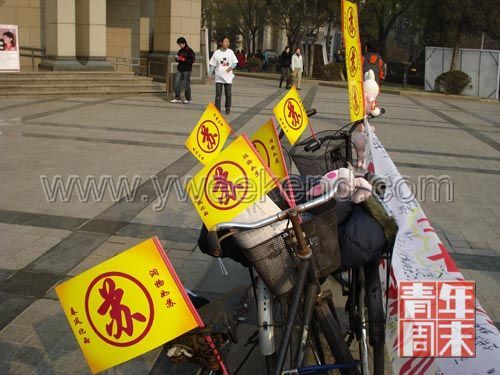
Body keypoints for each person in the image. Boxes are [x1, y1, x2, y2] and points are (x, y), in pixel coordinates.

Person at [208, 37, 238, 115]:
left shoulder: (230, 52)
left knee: (228, 94)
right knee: (218, 94)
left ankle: (227, 108)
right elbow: (213, 65)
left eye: (228, 41)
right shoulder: (216, 53)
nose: (227, 43)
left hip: (228, 77)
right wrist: (209, 75)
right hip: (219, 77)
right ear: (221, 43)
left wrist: (230, 68)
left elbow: (235, 63)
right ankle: (217, 109)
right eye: (225, 41)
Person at [171, 37, 195, 104]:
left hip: (187, 70)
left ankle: (188, 98)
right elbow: (178, 58)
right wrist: (177, 58)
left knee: (186, 84)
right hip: (180, 69)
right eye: (178, 44)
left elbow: (192, 60)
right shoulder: (180, 51)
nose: (179, 46)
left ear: (184, 43)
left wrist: (183, 59)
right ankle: (177, 97)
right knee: (176, 83)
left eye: (180, 44)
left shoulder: (189, 50)